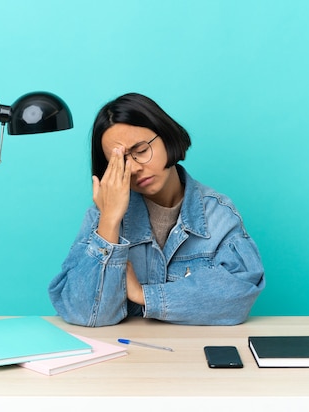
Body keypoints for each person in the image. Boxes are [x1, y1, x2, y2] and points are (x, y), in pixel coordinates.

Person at [48, 93, 265, 327]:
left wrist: (143, 295)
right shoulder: (100, 217)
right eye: (119, 162)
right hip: (127, 356)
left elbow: (238, 296)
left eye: (141, 150)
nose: (134, 168)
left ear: (167, 137)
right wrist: (109, 222)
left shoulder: (217, 214)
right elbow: (82, 312)